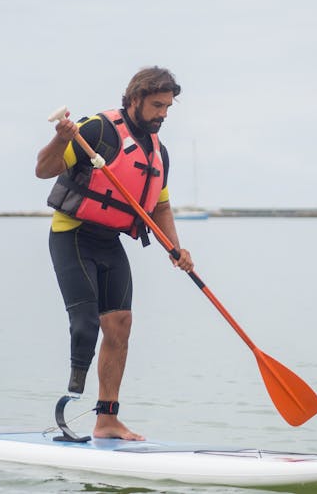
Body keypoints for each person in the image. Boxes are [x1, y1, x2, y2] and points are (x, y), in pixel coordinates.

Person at [35, 66, 194, 441]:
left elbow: (161, 207)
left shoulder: (158, 153)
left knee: (120, 325)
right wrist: (60, 140)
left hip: (109, 241)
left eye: (168, 107)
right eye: (157, 105)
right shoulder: (96, 130)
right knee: (87, 324)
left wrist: (175, 247)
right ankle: (71, 398)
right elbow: (44, 169)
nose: (163, 114)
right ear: (135, 99)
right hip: (72, 235)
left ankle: (106, 419)